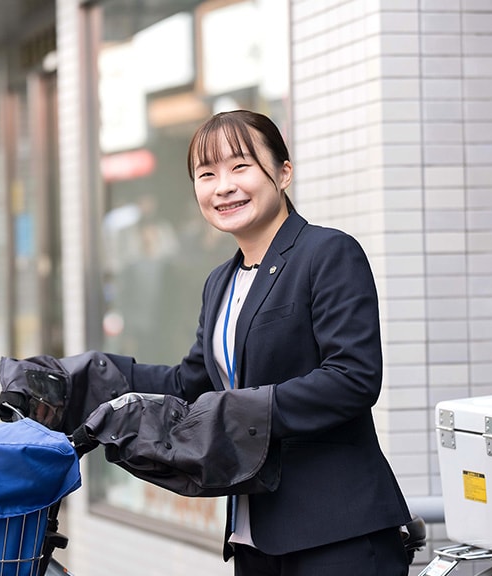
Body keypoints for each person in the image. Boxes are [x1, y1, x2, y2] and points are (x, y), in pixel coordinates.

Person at [102, 110, 412, 575]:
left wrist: (243, 410)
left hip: (336, 534)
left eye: (240, 166)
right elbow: (193, 383)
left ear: (283, 172)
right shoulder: (220, 282)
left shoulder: (326, 253)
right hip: (253, 537)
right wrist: (96, 379)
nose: (223, 186)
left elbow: (353, 378)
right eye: (207, 174)